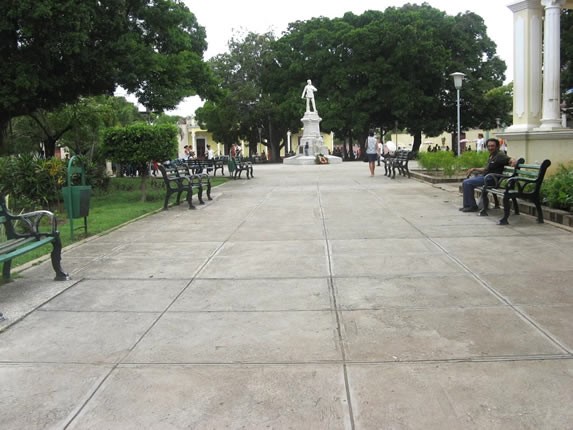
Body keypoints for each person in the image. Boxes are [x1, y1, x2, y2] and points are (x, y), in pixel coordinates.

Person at [459, 138, 513, 212]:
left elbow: (509, 159)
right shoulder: (492, 155)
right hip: (486, 177)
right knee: (466, 181)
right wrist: (474, 169)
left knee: (467, 183)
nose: (490, 148)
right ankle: (468, 205)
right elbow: (486, 169)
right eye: (489, 146)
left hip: (492, 179)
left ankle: (471, 206)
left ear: (497, 146)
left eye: (492, 146)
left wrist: (514, 162)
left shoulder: (500, 155)